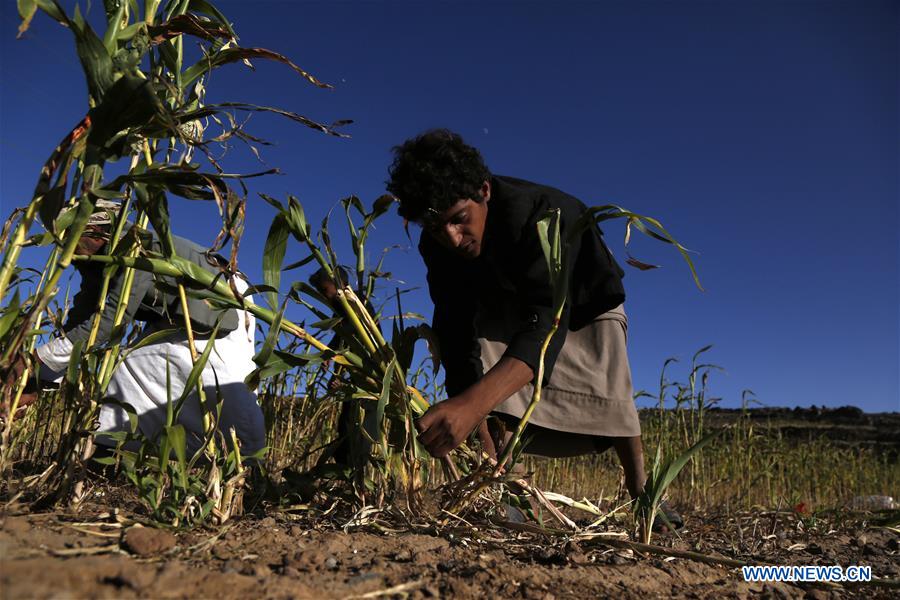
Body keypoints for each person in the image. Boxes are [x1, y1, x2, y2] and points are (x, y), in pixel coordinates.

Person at [386, 129, 681, 526]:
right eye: (437, 229)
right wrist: (468, 413)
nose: (452, 239)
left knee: (612, 389)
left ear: (484, 191)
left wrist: (471, 405)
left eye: (459, 220)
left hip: (582, 299)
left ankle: (643, 493)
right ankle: (503, 489)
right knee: (478, 363)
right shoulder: (438, 246)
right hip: (505, 302)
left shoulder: (542, 215)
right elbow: (455, 331)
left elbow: (546, 326)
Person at [8, 201, 265, 457]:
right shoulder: (93, 264)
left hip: (222, 298)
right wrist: (37, 378)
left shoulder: (134, 247)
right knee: (130, 370)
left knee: (222, 380)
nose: (64, 250)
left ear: (96, 233)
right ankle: (107, 451)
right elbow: (82, 317)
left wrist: (36, 359)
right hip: (177, 314)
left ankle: (248, 460)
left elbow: (111, 321)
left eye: (68, 238)